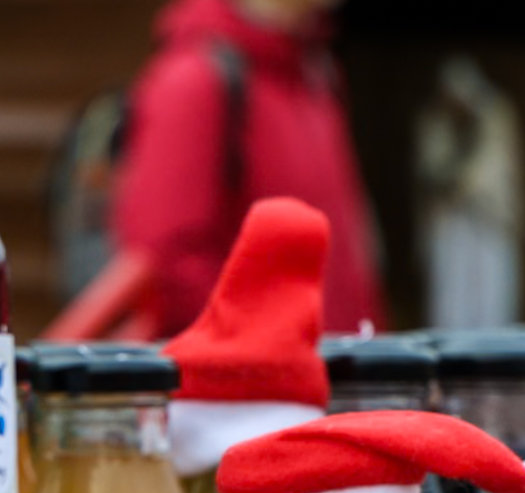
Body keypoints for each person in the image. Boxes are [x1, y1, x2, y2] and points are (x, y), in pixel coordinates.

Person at [112, 0, 386, 337]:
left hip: (332, 362)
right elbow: (169, 261)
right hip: (268, 366)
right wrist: (267, 348)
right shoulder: (194, 80)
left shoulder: (315, 74)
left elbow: (347, 259)